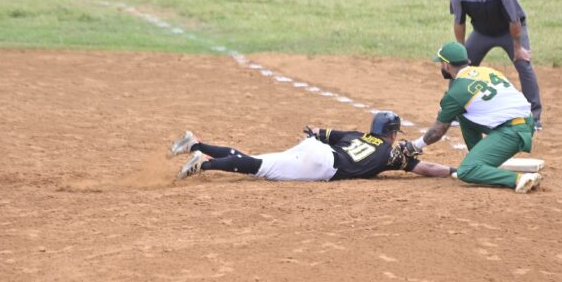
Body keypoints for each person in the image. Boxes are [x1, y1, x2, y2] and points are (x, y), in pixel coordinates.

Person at [402, 41, 542, 194]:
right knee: (464, 115)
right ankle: (481, 160)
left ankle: (517, 179)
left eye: (441, 63)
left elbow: (437, 131)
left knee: (466, 171)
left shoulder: (455, 93)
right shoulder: (487, 71)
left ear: (447, 65)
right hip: (527, 122)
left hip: (513, 132)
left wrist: (414, 146)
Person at [169, 111, 454, 182]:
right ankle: (202, 163)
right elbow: (427, 167)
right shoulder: (392, 154)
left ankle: (196, 144)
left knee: (255, 159)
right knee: (258, 168)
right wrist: (453, 171)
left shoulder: (355, 134)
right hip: (321, 166)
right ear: (392, 134)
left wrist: (315, 131)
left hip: (315, 149)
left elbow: (320, 131)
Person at [450, 0, 543, 128]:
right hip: (482, 32)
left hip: (510, 32)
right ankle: (454, 111)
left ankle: (534, 116)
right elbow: (459, 23)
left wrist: (518, 48)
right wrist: (461, 51)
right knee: (459, 66)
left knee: (523, 63)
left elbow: (514, 22)